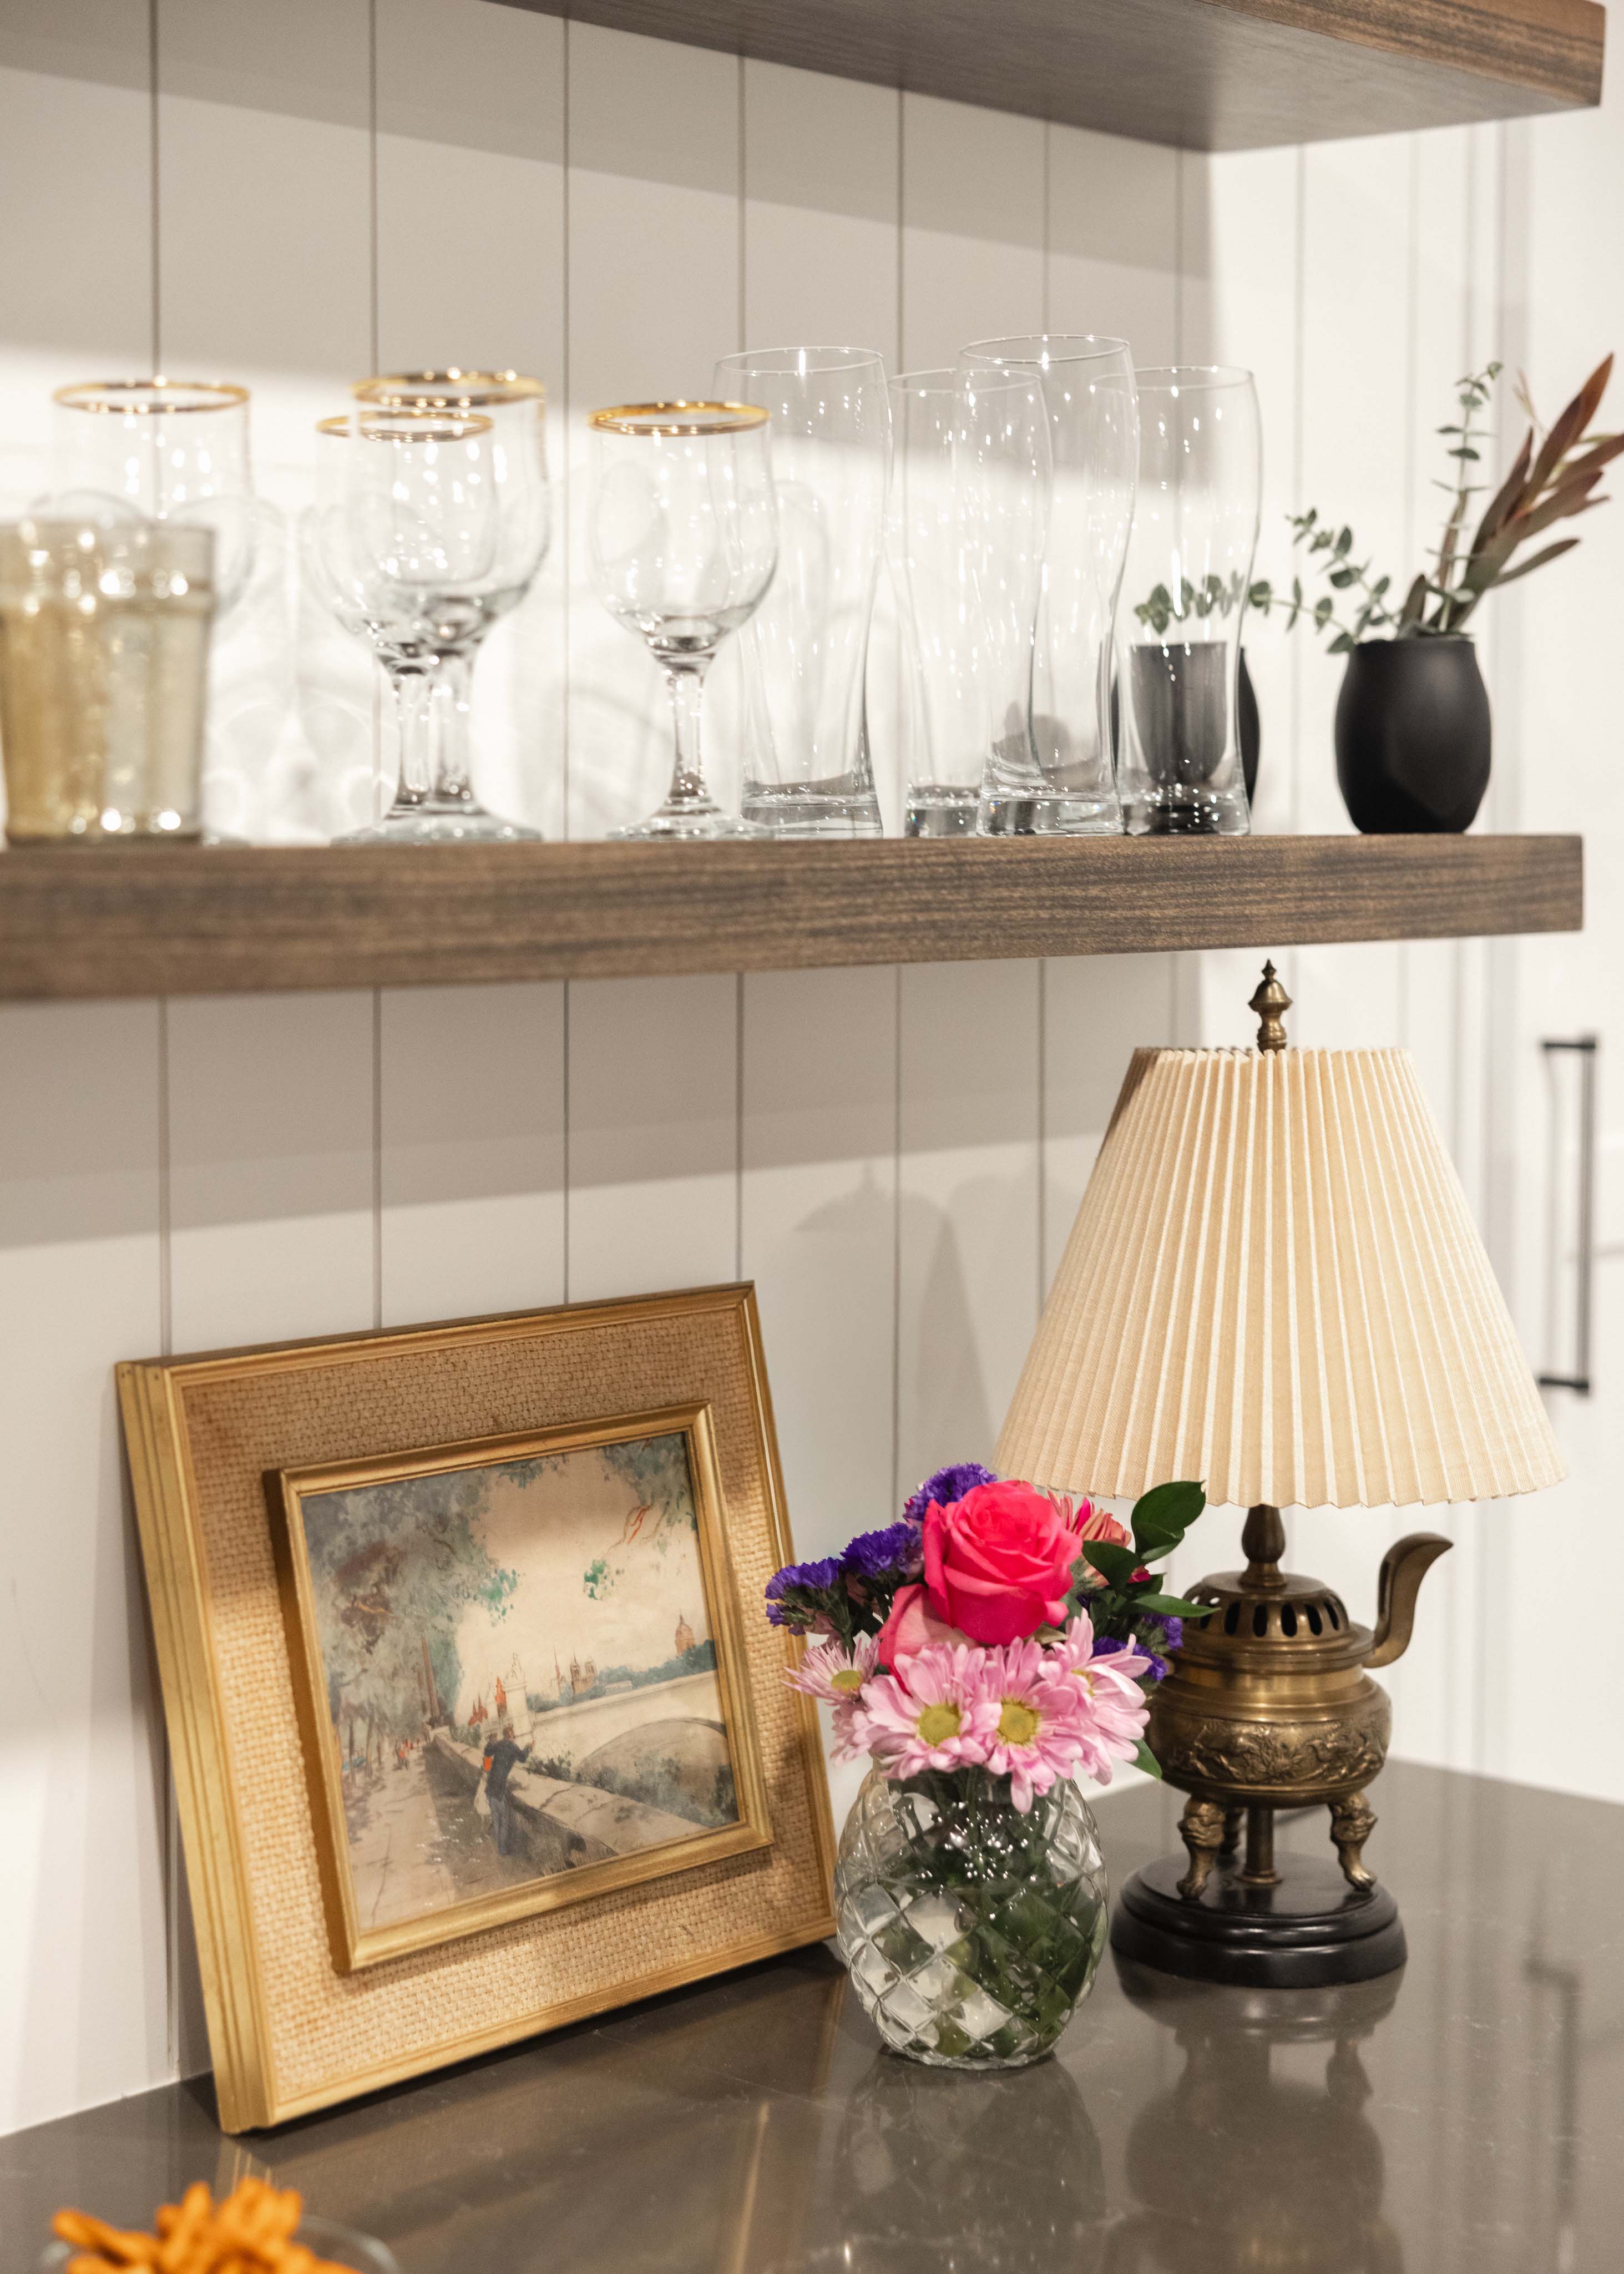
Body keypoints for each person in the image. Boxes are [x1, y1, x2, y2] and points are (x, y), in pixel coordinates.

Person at [482, 1720, 533, 1857]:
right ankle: (502, 1848)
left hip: (491, 1787)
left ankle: (499, 1846)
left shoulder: (499, 1744)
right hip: (499, 1789)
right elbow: (522, 1758)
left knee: (496, 1819)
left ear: (504, 1735)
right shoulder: (512, 1746)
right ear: (512, 1736)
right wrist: (529, 1747)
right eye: (513, 1734)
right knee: (503, 1820)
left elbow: (487, 1752)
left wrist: (491, 1741)